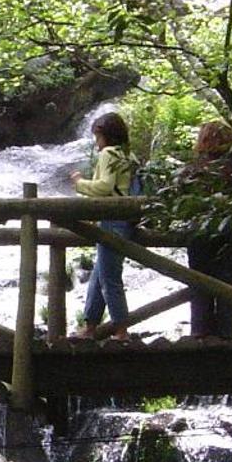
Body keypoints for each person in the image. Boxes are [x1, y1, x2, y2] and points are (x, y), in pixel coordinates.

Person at [71, 111, 139, 338]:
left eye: (97, 137)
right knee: (100, 273)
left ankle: (121, 331)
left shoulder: (109, 154)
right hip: (127, 220)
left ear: (106, 136)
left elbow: (104, 187)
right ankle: (90, 326)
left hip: (112, 220)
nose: (96, 143)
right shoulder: (130, 156)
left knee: (109, 277)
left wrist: (80, 183)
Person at [178, 120, 232, 340]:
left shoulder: (193, 169)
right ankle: (228, 338)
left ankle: (200, 336)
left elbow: (179, 200)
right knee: (230, 289)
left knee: (200, 286)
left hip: (200, 236)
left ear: (203, 140)